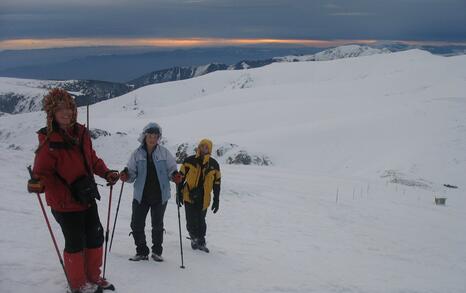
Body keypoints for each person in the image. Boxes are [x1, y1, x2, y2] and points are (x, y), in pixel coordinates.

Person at [27, 88, 119, 293]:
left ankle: (94, 276)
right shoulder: (49, 142)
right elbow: (41, 172)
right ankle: (78, 284)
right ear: (52, 114)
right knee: (76, 241)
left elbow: (91, 159)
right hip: (64, 202)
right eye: (60, 109)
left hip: (85, 195)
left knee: (95, 235)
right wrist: (37, 184)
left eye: (69, 107)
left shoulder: (82, 133)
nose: (66, 112)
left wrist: (106, 173)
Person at [120, 122, 182, 262]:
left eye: (155, 136)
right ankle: (141, 251)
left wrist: (175, 176)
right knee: (136, 223)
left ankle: (157, 252)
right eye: (150, 135)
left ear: (158, 137)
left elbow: (172, 169)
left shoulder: (164, 152)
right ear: (144, 136)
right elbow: (131, 172)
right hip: (141, 195)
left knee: (157, 224)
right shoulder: (137, 153)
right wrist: (126, 175)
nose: (152, 139)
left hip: (160, 195)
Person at [177, 139, 221, 253]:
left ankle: (201, 241)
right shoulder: (189, 161)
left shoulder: (214, 165)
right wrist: (178, 193)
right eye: (201, 146)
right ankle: (193, 237)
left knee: (201, 220)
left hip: (204, 198)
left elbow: (217, 183)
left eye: (206, 147)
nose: (203, 149)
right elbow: (180, 178)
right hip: (188, 195)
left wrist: (216, 199)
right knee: (191, 220)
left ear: (210, 149)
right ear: (198, 147)